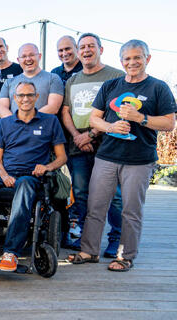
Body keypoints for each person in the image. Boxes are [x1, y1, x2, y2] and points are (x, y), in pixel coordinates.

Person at [68, 40, 176, 272]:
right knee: (95, 206)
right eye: (127, 59)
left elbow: (169, 123)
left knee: (131, 210)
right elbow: (94, 118)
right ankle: (89, 251)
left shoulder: (158, 87)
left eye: (137, 57)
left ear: (147, 59)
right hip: (107, 156)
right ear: (121, 61)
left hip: (139, 159)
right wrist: (111, 127)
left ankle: (125, 256)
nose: (132, 62)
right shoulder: (110, 85)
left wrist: (141, 119)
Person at [0, 81, 66, 272]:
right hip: (5, 175)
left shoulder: (50, 121)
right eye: (21, 95)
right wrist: (3, 175)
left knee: (25, 183)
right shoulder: (4, 123)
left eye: (30, 95)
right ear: (15, 98)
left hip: (31, 177)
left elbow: (62, 157)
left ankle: (11, 251)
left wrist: (46, 167)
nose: (25, 99)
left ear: (37, 97)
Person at [60, 33, 124, 255]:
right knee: (81, 193)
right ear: (78, 53)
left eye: (91, 46)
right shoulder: (73, 80)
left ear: (101, 49)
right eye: (82, 47)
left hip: (109, 146)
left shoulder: (116, 76)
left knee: (114, 195)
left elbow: (119, 112)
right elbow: (66, 111)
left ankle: (117, 240)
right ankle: (87, 240)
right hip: (77, 145)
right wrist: (78, 136)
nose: (86, 50)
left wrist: (92, 134)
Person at [0, 43, 64, 118]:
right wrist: (15, 123)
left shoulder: (53, 78)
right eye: (24, 56)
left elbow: (53, 108)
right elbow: (1, 109)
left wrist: (28, 121)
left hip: (43, 128)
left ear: (39, 56)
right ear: (18, 60)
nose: (28, 59)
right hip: (15, 128)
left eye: (32, 55)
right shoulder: (9, 83)